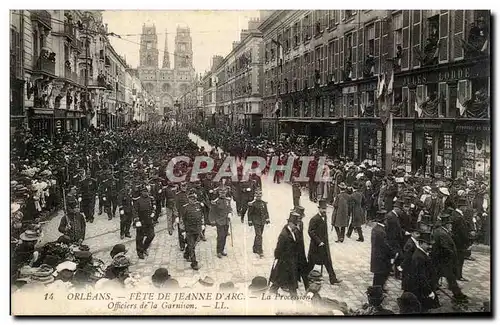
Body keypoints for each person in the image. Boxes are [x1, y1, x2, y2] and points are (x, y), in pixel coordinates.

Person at [431, 215, 468, 303]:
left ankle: (431, 291)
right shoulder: (443, 234)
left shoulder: (439, 231)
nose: (451, 226)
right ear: (446, 225)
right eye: (450, 224)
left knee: (435, 277)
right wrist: (451, 256)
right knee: (451, 278)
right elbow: (445, 248)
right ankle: (458, 295)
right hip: (444, 261)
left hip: (439, 260)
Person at [307, 200, 342, 285]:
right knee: (311, 263)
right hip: (316, 246)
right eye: (323, 209)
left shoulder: (325, 217)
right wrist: (319, 241)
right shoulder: (314, 219)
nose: (324, 211)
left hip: (324, 246)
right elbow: (310, 232)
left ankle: (333, 279)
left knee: (328, 262)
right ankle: (304, 276)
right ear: (319, 209)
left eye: (325, 209)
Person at [269, 212, 301, 298]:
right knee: (279, 281)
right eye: (295, 224)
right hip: (284, 263)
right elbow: (278, 250)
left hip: (292, 262)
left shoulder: (294, 231)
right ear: (290, 223)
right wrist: (279, 258)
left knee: (291, 282)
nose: (296, 226)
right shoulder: (284, 235)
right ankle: (271, 292)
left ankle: (295, 298)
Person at [407, 231, 440, 312]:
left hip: (424, 287)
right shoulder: (419, 257)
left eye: (431, 244)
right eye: (428, 244)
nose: (430, 246)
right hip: (421, 289)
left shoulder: (423, 253)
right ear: (421, 243)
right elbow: (421, 276)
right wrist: (428, 291)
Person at [181, 192, 205, 270]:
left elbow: (201, 216)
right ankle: (194, 263)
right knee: (191, 246)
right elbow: (182, 220)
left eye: (194, 199)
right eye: (191, 199)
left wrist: (202, 224)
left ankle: (186, 254)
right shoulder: (185, 208)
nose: (193, 200)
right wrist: (183, 231)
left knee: (193, 244)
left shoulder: (199, 206)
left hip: (197, 229)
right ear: (188, 199)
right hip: (189, 230)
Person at [370, 210, 394, 290]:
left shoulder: (376, 229)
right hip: (381, 258)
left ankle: (378, 289)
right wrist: (392, 252)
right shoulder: (381, 231)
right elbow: (385, 245)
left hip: (376, 256)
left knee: (378, 276)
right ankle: (377, 292)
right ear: (384, 221)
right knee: (379, 277)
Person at [132, 185, 156, 259]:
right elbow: (134, 211)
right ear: (141, 192)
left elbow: (153, 207)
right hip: (141, 221)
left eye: (146, 191)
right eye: (143, 192)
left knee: (151, 235)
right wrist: (136, 220)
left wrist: (153, 213)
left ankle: (144, 248)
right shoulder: (138, 200)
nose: (145, 193)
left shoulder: (150, 199)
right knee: (139, 238)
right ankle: (140, 252)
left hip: (149, 221)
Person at [209, 186, 233, 258]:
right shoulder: (216, 201)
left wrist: (230, 213)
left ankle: (222, 250)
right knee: (220, 236)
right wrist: (212, 221)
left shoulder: (228, 200)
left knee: (225, 236)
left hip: (226, 221)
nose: (223, 194)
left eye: (224, 192)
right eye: (221, 192)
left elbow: (229, 208)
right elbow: (212, 212)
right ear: (219, 193)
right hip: (219, 221)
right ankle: (218, 251)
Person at [248, 188, 270, 258]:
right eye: (257, 194)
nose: (258, 196)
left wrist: (267, 220)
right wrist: (250, 222)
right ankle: (260, 250)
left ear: (261, 195)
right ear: (255, 195)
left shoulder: (263, 203)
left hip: (262, 221)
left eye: (260, 194)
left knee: (258, 235)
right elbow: (250, 213)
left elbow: (266, 212)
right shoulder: (252, 204)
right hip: (256, 221)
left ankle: (254, 248)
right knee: (259, 236)